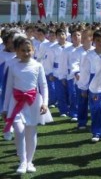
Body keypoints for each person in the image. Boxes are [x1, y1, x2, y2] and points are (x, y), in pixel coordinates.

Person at [2, 37, 49, 174]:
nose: (26, 53)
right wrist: (5, 108)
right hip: (16, 102)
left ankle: (30, 161)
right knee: (19, 129)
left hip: (33, 102)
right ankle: (22, 161)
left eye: (28, 50)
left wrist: (45, 103)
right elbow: (9, 88)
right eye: (22, 50)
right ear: (17, 51)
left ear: (33, 50)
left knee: (31, 131)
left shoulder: (37, 65)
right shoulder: (12, 66)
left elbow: (44, 86)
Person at [78, 29, 101, 142]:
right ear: (93, 41)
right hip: (94, 82)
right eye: (98, 40)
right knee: (95, 107)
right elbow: (85, 71)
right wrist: (83, 87)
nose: (100, 43)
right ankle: (96, 132)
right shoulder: (88, 55)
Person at [60, 27, 83, 122]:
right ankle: (74, 113)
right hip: (71, 76)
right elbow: (63, 65)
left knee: (82, 95)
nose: (76, 37)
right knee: (73, 94)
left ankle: (82, 113)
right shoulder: (67, 50)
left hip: (84, 75)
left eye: (78, 35)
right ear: (71, 37)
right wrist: (63, 77)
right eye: (74, 35)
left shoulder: (84, 49)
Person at [73, 28, 93, 130]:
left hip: (94, 81)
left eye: (87, 37)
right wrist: (77, 72)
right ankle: (82, 122)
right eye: (83, 37)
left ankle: (96, 122)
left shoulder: (95, 51)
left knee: (95, 104)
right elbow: (74, 64)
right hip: (81, 81)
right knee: (82, 102)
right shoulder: (77, 51)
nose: (84, 39)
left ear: (91, 38)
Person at [51, 29, 72, 118]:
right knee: (60, 93)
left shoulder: (71, 46)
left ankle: (71, 109)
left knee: (71, 92)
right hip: (57, 73)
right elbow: (49, 61)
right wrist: (50, 73)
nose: (61, 36)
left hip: (69, 72)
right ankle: (63, 110)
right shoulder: (52, 48)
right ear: (56, 36)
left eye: (63, 34)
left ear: (66, 35)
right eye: (59, 35)